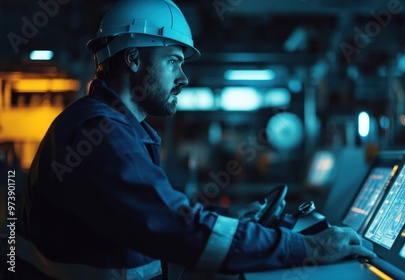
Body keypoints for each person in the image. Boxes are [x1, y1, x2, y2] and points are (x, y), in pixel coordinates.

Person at [10, 0, 376, 279]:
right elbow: (174, 227)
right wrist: (307, 246)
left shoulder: (115, 129)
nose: (183, 78)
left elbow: (158, 213)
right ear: (135, 59)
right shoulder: (99, 134)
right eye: (173, 61)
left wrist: (229, 218)